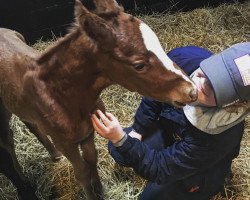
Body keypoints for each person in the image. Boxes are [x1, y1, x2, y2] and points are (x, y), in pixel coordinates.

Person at [91, 42, 250, 200]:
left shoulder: (220, 133)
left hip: (201, 163)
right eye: (208, 73)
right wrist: (137, 130)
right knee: (119, 151)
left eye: (215, 89)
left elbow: (161, 169)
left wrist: (121, 139)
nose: (197, 85)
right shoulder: (186, 59)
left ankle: (212, 182)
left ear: (234, 104)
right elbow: (155, 94)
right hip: (172, 130)